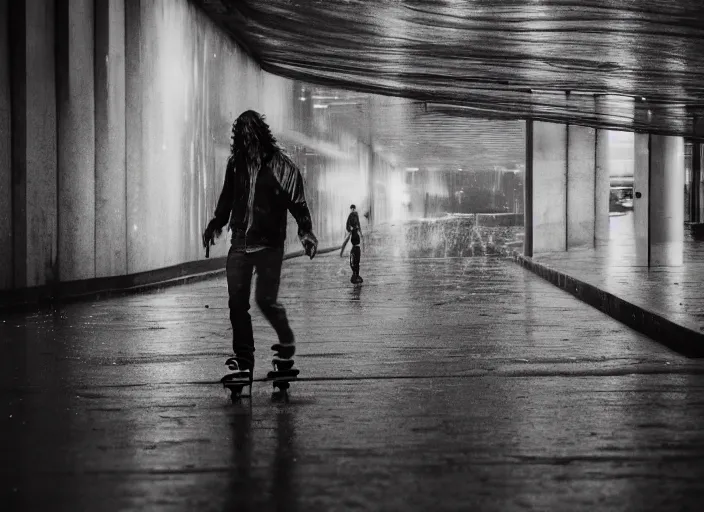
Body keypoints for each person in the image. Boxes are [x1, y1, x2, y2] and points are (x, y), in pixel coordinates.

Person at [202, 110, 318, 385]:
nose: (247, 143)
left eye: (250, 137)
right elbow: (226, 199)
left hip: (269, 245)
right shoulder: (235, 165)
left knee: (265, 300)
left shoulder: (281, 166)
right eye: (242, 138)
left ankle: (286, 343)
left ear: (261, 137)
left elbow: (297, 202)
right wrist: (215, 225)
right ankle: (244, 359)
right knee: (237, 304)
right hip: (240, 242)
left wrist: (306, 231)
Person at [346, 204, 363, 283]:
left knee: (356, 259)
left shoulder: (356, 215)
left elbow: (358, 225)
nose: (352, 210)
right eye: (351, 209)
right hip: (353, 235)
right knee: (354, 259)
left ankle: (356, 274)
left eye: (353, 208)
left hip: (356, 236)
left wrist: (360, 232)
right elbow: (347, 226)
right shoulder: (351, 216)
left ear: (354, 209)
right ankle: (355, 274)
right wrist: (350, 229)